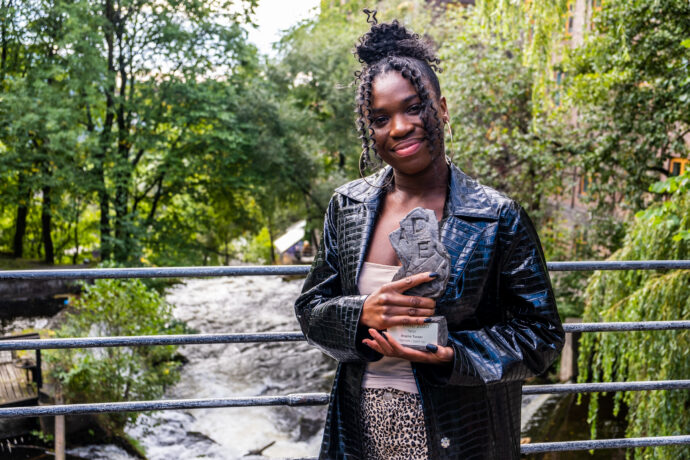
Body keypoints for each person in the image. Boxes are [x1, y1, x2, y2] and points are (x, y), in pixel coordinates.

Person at [294, 13, 564, 460]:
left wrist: (453, 354)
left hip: (464, 435)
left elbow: (542, 336)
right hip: (361, 432)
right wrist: (361, 313)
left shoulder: (498, 216)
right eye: (380, 118)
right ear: (369, 130)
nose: (399, 127)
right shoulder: (347, 206)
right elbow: (310, 311)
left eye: (413, 107)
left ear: (442, 108)